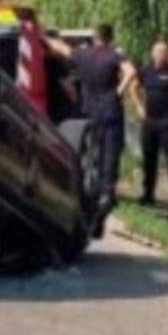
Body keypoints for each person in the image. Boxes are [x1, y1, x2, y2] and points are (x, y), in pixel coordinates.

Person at [47, 23, 135, 212]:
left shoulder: (83, 54)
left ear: (95, 37)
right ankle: (107, 193)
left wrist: (44, 37)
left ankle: (88, 189)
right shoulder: (114, 54)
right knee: (110, 149)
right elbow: (131, 72)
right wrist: (118, 91)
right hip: (110, 108)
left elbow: (61, 48)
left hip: (89, 110)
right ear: (110, 38)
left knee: (91, 149)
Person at [129, 38, 168, 205]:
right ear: (152, 54)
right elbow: (133, 87)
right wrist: (139, 107)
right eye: (158, 51)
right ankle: (148, 195)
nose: (160, 54)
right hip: (150, 122)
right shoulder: (146, 71)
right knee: (149, 159)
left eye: (164, 51)